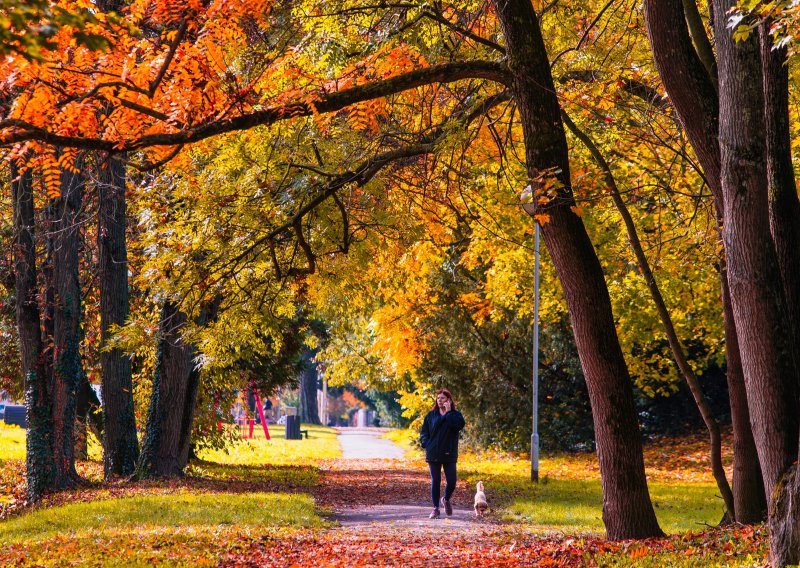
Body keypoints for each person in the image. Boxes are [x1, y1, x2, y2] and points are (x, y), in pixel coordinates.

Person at [419, 389, 465, 519]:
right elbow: (424, 432)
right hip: (433, 452)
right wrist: (426, 443)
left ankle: (445, 499)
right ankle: (435, 509)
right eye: (438, 398)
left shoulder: (455, 415)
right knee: (436, 480)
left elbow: (458, 426)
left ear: (449, 400)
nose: (440, 400)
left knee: (452, 481)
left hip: (449, 452)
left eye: (443, 398)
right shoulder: (431, 415)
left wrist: (449, 412)